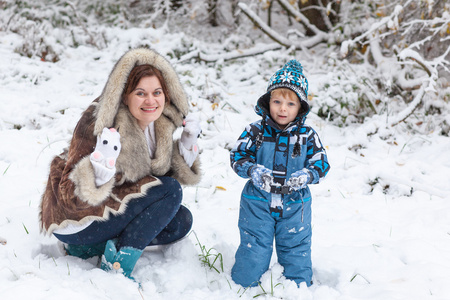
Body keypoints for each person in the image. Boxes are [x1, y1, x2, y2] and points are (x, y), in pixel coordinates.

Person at [39, 48, 202, 280]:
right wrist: (102, 164)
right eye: (140, 93)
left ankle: (87, 250)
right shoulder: (100, 121)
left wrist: (187, 143)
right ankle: (117, 264)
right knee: (170, 191)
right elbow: (72, 191)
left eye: (157, 92)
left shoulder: (160, 124)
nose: (151, 100)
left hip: (112, 210)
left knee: (179, 221)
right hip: (76, 219)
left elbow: (158, 182)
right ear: (125, 95)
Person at [229, 60, 330, 287]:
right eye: (277, 101)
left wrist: (308, 175)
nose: (282, 109)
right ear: (267, 102)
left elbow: (321, 162)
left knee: (296, 247)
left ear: (300, 107)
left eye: (290, 104)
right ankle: (243, 286)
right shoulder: (255, 131)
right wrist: (252, 169)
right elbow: (237, 155)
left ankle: (297, 288)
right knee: (254, 246)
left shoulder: (307, 135)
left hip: (296, 205)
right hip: (257, 202)